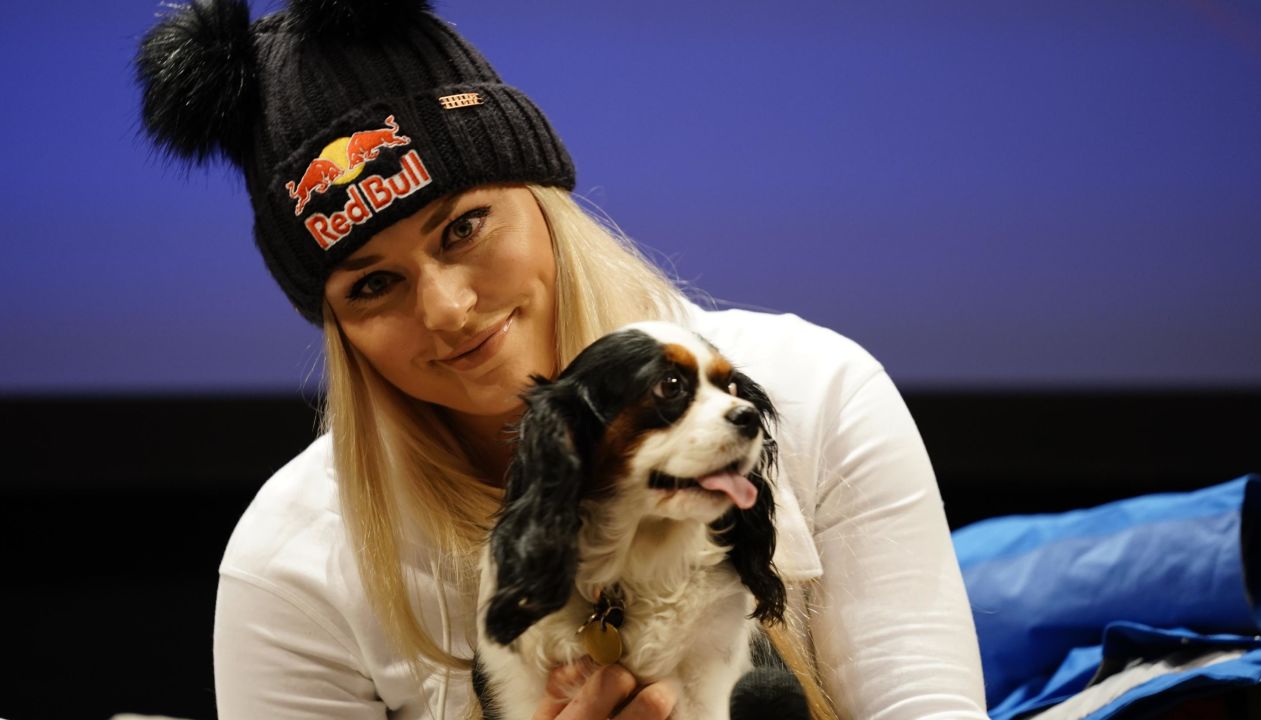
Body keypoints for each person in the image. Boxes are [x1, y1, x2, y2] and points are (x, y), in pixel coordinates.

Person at [136, 1, 990, 718]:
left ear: (540, 199)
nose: (447, 308)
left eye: (464, 227)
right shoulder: (290, 566)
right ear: (337, 327)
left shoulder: (812, 390)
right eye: (371, 285)